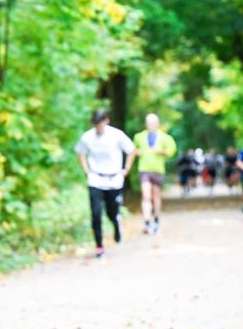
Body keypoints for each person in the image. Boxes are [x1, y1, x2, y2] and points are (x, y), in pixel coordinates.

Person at [75, 109, 137, 258]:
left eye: (100, 124)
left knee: (112, 211)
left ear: (106, 121)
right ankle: (99, 246)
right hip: (96, 178)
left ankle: (116, 224)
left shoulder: (116, 135)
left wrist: (126, 169)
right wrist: (86, 170)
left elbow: (131, 150)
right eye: (95, 125)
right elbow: (80, 152)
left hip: (114, 179)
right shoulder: (87, 137)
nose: (98, 128)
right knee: (96, 213)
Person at [132, 113, 177, 235]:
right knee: (146, 196)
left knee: (156, 196)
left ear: (157, 124)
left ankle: (156, 219)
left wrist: (161, 151)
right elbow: (132, 150)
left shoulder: (165, 137)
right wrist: (137, 152)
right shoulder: (139, 137)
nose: (150, 125)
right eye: (148, 123)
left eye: (153, 123)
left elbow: (171, 151)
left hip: (158, 170)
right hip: (144, 169)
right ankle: (147, 221)